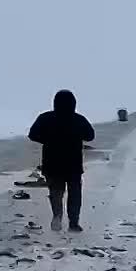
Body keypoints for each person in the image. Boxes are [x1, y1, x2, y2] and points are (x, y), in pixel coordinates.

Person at [28, 89, 95, 232]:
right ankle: (73, 223)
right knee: (74, 194)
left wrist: (47, 140)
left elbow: (32, 135)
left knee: (56, 192)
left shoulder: (45, 118)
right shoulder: (78, 119)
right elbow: (90, 136)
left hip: (52, 163)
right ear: (73, 104)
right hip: (73, 165)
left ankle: (57, 216)